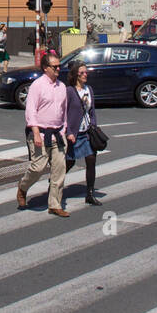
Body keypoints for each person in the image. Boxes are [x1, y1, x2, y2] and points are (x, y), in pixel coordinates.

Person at [16, 50, 70, 217]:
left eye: (60, 66)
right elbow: (31, 110)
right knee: (37, 168)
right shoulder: (37, 86)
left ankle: (55, 204)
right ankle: (23, 187)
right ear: (46, 68)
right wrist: (36, 133)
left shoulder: (61, 87)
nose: (58, 69)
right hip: (40, 132)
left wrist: (65, 129)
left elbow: (64, 110)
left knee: (59, 170)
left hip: (58, 133)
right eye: (55, 67)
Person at [64, 57, 102, 205]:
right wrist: (68, 132)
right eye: (82, 73)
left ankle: (90, 193)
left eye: (86, 72)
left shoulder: (89, 90)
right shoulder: (69, 91)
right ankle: (55, 182)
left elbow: (92, 111)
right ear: (75, 75)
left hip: (86, 132)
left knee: (91, 159)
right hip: (74, 133)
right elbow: (64, 113)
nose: (85, 75)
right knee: (70, 162)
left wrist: (94, 125)